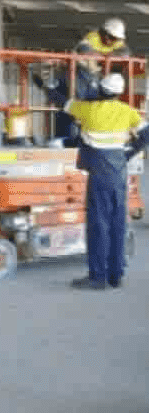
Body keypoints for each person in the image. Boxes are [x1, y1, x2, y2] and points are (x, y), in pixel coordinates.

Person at [63, 72, 149, 290]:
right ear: (119, 94)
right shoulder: (128, 112)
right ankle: (116, 275)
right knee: (118, 223)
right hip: (119, 172)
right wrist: (127, 154)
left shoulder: (88, 110)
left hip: (99, 174)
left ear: (101, 90)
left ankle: (97, 277)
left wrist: (49, 86)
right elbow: (146, 135)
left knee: (98, 225)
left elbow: (64, 104)